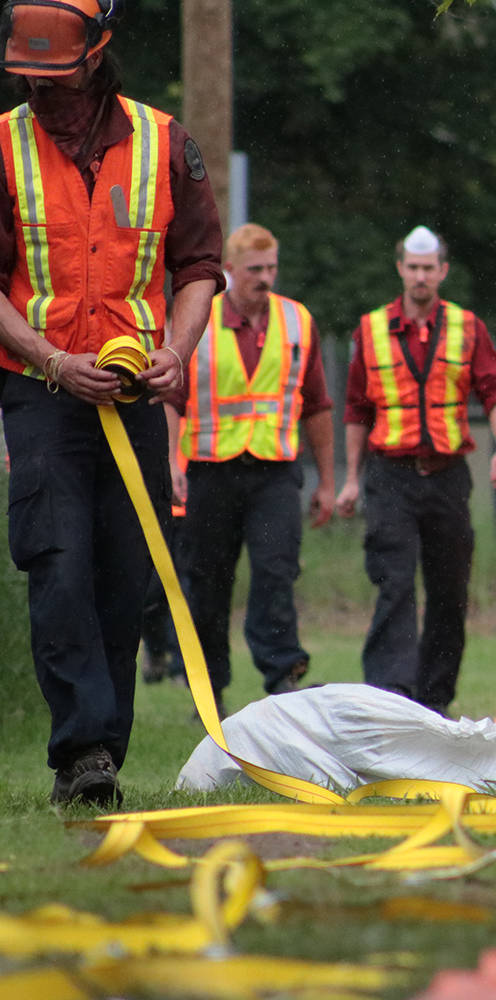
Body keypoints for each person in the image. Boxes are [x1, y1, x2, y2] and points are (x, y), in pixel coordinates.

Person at [0, 0, 222, 805]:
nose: (41, 93)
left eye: (54, 77)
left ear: (98, 54)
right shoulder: (2, 144)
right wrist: (54, 360)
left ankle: (104, 752)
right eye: (29, 78)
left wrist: (175, 353)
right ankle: (81, 754)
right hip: (41, 395)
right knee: (59, 563)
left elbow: (198, 267)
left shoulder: (166, 144)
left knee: (125, 578)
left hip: (132, 397)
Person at [335, 225, 496, 716]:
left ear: (442, 271)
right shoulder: (370, 330)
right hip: (390, 476)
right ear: (400, 269)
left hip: (447, 475)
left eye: (428, 268)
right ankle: (393, 697)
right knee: (394, 583)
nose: (420, 276)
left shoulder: (467, 327)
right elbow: (356, 410)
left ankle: (435, 701)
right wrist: (351, 478)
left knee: (449, 589)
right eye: (412, 268)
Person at [162, 223, 336, 716]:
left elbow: (317, 406)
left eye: (272, 268)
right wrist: (172, 461)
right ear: (230, 271)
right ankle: (207, 686)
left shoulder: (298, 320)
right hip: (209, 469)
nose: (266, 277)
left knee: (277, 569)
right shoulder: (198, 318)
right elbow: (171, 397)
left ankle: (283, 674)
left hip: (275, 471)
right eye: (255, 269)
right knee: (207, 581)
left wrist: (327, 481)